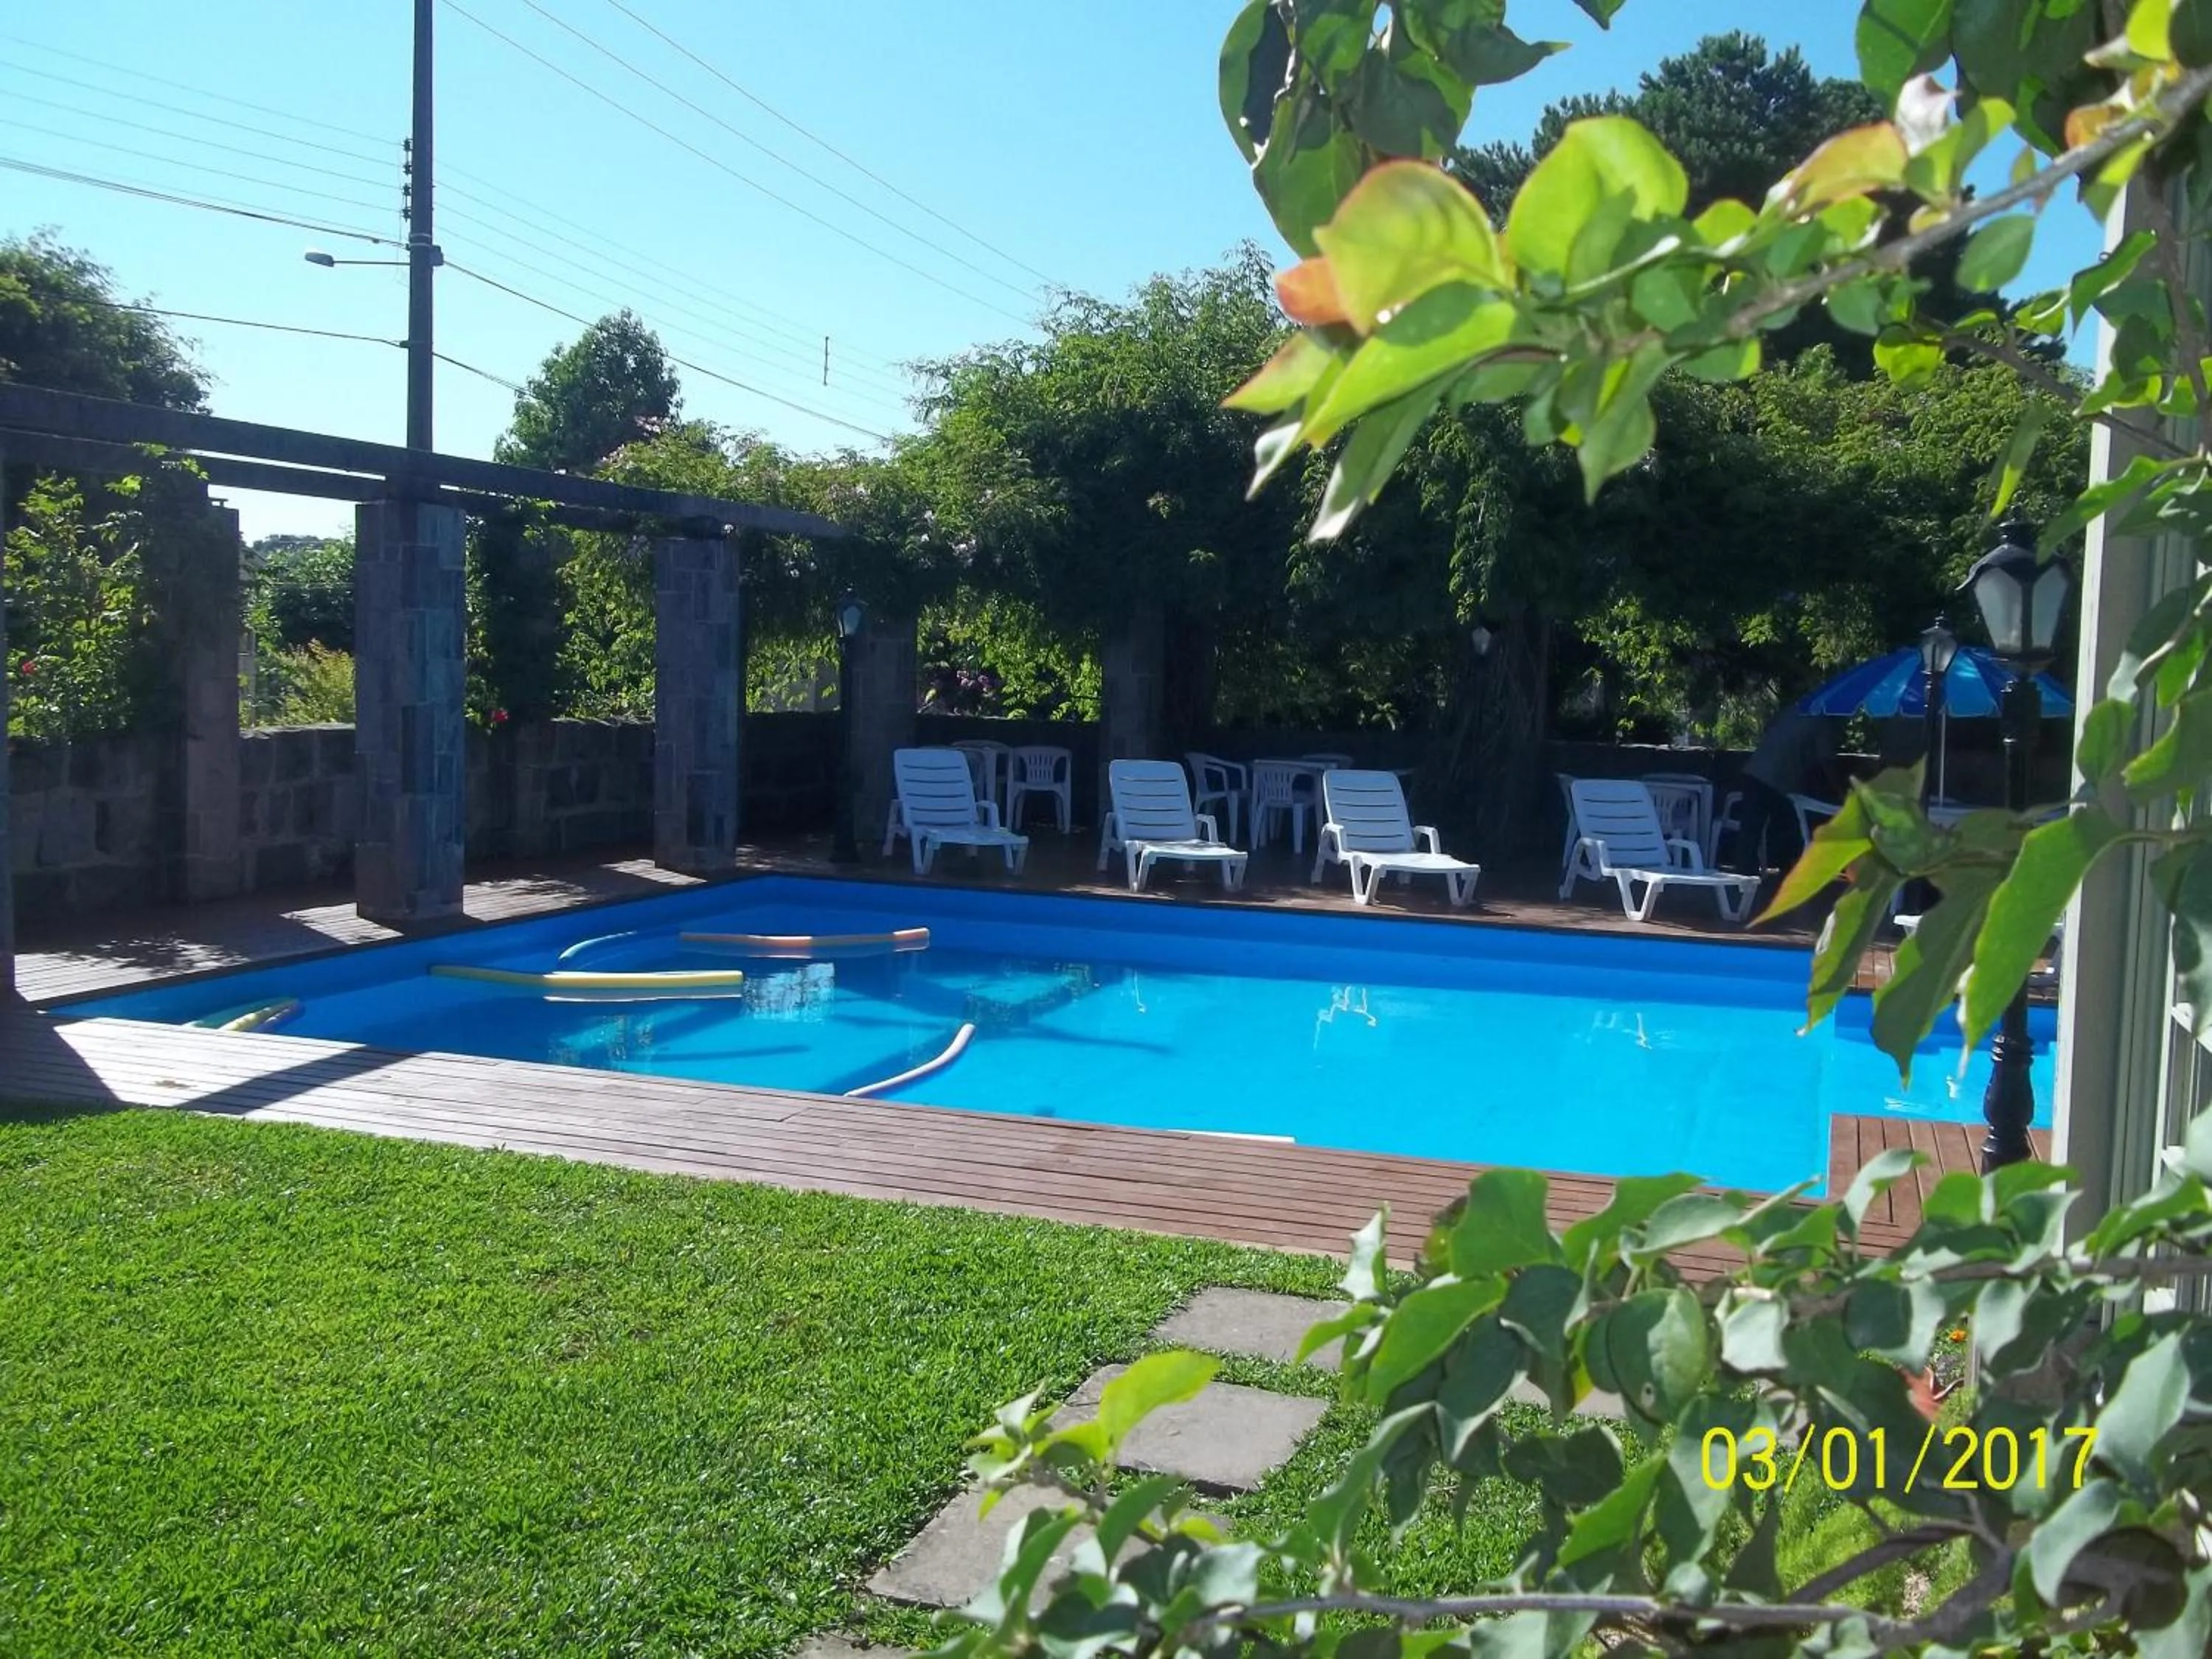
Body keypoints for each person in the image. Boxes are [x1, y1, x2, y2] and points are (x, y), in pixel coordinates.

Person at [1731, 707, 1842, 877]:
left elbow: (1769, 729)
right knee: (1788, 825)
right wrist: (1841, 791)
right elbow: (1828, 762)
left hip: (1756, 770)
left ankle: (1747, 876)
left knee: (1751, 829)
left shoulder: (1793, 712)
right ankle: (1782, 870)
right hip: (1777, 779)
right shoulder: (1822, 723)